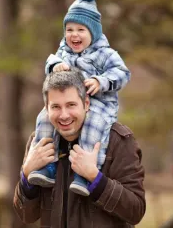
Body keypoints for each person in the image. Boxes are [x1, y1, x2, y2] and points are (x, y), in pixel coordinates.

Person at [28, 0, 131, 196]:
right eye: (69, 30)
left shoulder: (105, 53)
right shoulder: (64, 50)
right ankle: (47, 165)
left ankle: (85, 174)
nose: (74, 35)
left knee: (93, 123)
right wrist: (55, 66)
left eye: (80, 30)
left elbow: (122, 73)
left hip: (100, 105)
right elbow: (51, 60)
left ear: (93, 32)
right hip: (72, 102)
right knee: (44, 117)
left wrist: (101, 81)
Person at [13, 68, 145, 228]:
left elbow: (136, 210)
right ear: (46, 108)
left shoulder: (118, 140)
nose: (64, 115)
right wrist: (26, 174)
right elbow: (27, 215)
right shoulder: (39, 143)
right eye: (56, 107)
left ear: (86, 104)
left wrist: (95, 178)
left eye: (71, 105)